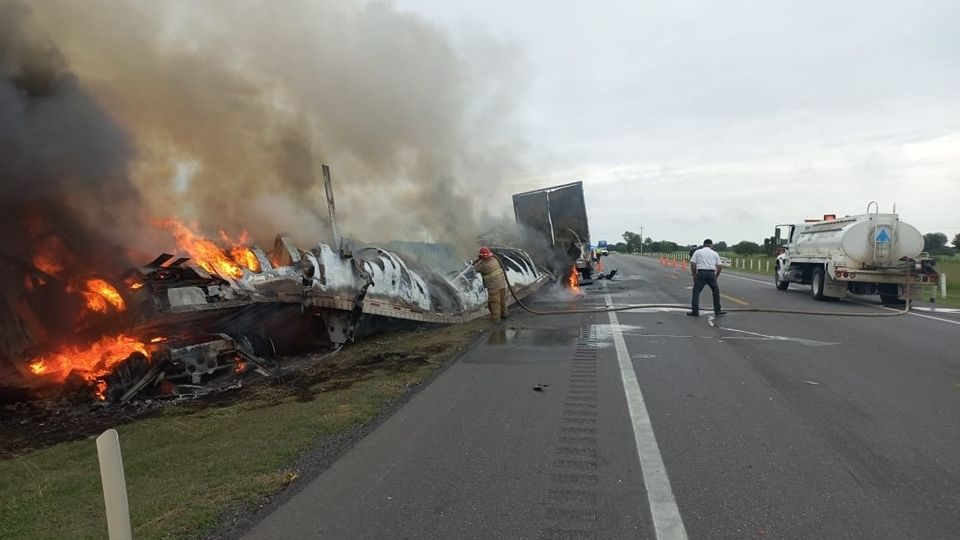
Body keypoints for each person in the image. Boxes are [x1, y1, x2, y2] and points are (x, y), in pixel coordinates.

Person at [688, 239, 727, 317]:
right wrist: (716, 276)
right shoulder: (714, 253)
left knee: (696, 291)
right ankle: (717, 311)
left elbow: (693, 264)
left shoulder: (698, 252)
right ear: (711, 245)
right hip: (711, 273)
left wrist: (694, 275)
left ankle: (695, 311)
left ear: (703, 245)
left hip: (701, 272)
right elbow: (719, 266)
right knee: (715, 291)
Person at [473, 247, 508, 322]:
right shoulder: (495, 260)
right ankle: (504, 315)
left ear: (482, 256)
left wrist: (478, 260)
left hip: (493, 286)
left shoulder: (485, 265)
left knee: (494, 302)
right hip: (502, 284)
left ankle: (495, 320)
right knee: (502, 300)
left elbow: (476, 268)